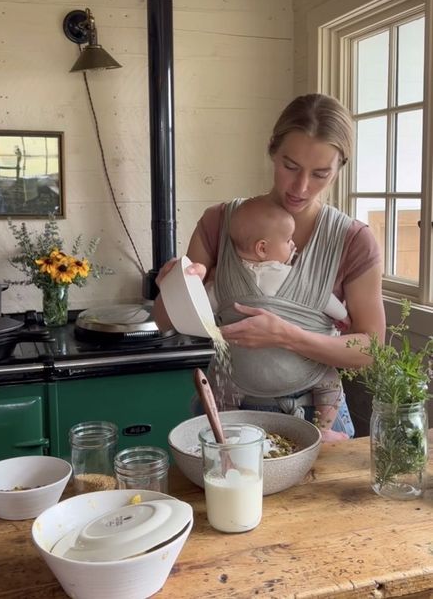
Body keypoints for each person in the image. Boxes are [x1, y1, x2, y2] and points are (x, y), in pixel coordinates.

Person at [153, 93, 386, 439]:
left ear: (340, 169)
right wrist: (175, 287)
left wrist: (289, 336)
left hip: (318, 421)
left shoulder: (353, 240)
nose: (301, 187)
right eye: (290, 166)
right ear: (272, 150)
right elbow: (162, 320)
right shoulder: (220, 222)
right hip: (228, 418)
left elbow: (371, 349)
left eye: (320, 173)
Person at [226, 195, 350, 441]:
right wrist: (343, 315)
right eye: (287, 240)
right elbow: (322, 299)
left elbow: (203, 303)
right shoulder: (286, 275)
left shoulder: (225, 281)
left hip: (245, 375)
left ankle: (228, 426)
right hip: (301, 372)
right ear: (262, 248)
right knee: (328, 379)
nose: (293, 245)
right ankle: (324, 428)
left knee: (224, 385)